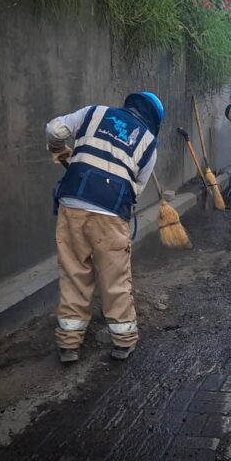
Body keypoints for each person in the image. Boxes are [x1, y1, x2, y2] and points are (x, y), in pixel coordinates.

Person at [45, 91, 164, 363]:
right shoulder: (148, 143)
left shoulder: (94, 112)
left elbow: (54, 128)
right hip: (111, 210)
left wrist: (58, 149)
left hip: (72, 201)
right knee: (115, 279)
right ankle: (123, 341)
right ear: (153, 119)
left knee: (74, 272)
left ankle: (69, 345)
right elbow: (136, 190)